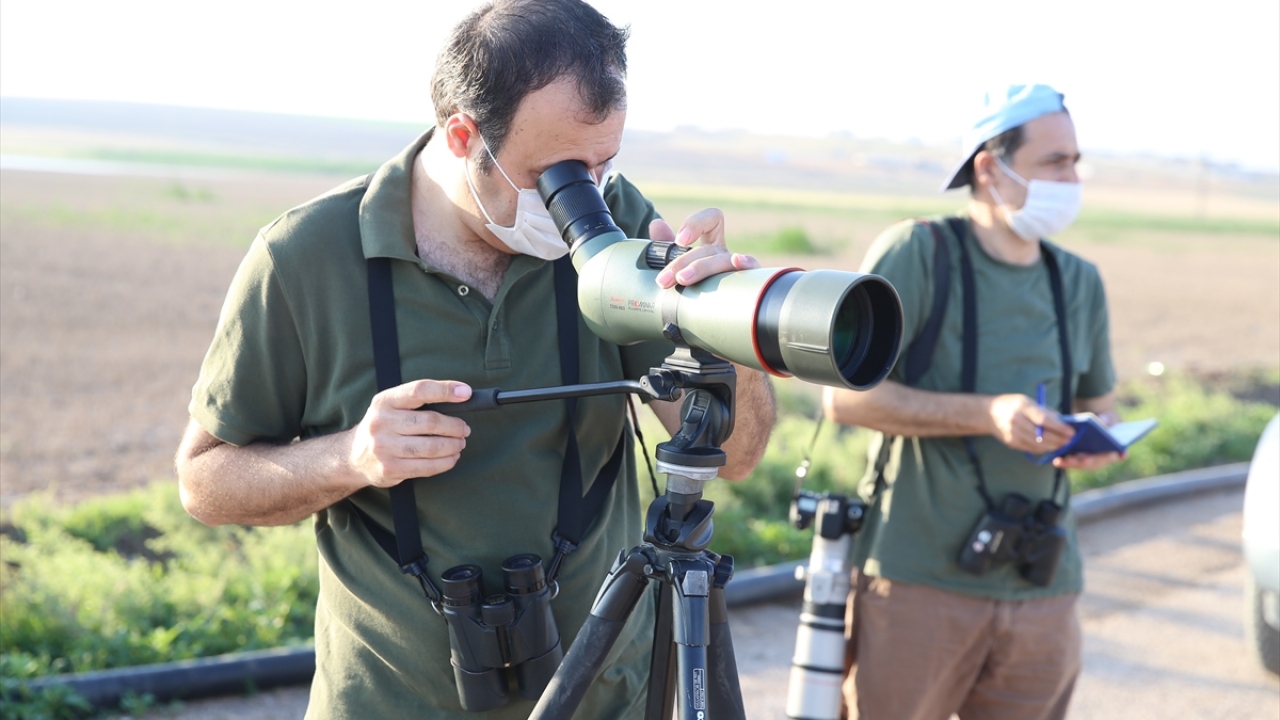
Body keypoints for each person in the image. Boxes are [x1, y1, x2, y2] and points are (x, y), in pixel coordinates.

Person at [174, 1, 776, 717]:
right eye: (557, 173)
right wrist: (350, 458)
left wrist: (719, 324)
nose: (581, 201)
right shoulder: (304, 259)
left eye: (603, 164)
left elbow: (736, 457)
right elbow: (204, 483)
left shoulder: (614, 230)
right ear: (464, 134)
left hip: (605, 699)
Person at [823, 85, 1124, 720]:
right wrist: (986, 415)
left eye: (1075, 161)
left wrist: (1095, 442)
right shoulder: (918, 254)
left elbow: (1104, 407)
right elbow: (845, 401)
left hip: (1045, 589)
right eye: (1055, 162)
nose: (1073, 177)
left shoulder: (1080, 281)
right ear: (990, 169)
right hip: (917, 585)